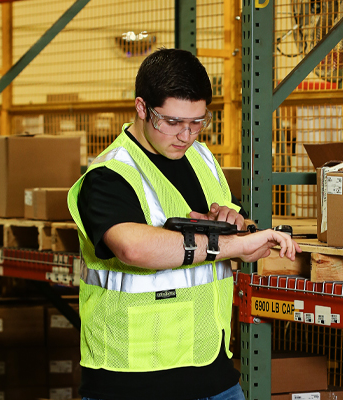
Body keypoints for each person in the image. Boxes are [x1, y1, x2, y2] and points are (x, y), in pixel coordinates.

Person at [67, 48, 301, 400]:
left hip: (214, 373)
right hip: (132, 382)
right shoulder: (110, 174)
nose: (186, 135)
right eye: (172, 122)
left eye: (198, 122)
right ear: (142, 108)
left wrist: (235, 225)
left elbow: (229, 226)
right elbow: (133, 247)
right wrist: (233, 246)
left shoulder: (202, 158)